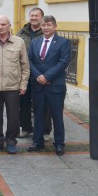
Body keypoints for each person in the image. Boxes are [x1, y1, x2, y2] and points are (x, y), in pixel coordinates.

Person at [0, 15, 29, 154]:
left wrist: (23, 84)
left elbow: (25, 66)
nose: (1, 27)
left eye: (4, 24)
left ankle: (11, 141)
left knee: (13, 116)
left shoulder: (19, 42)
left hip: (13, 85)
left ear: (9, 26)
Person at [27, 15, 71, 156]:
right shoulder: (35, 42)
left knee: (56, 116)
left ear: (55, 26)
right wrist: (38, 76)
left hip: (55, 86)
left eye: (49, 25)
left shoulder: (63, 42)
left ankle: (59, 144)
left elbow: (63, 62)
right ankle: (37, 142)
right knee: (38, 115)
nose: (46, 27)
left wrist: (46, 76)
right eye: (44, 25)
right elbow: (29, 60)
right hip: (38, 85)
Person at [16, 7, 44, 139]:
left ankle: (44, 130)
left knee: (42, 103)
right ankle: (26, 127)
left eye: (36, 16)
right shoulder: (21, 32)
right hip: (23, 73)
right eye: (31, 15)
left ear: (41, 17)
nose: (33, 18)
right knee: (23, 102)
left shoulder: (45, 31)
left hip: (40, 73)